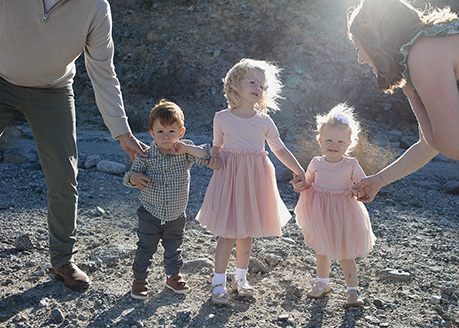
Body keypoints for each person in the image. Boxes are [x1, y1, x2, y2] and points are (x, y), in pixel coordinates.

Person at [345, 0, 459, 324]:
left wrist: (412, 94)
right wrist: (377, 180)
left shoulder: (423, 54)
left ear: (377, 39)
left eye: (359, 47)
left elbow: (453, 147)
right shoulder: (424, 48)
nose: (360, 58)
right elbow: (429, 144)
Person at [0, 0, 148, 290]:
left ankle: (62, 260)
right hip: (2, 81)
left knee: (64, 175)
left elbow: (103, 72)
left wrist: (122, 132)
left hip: (53, 92)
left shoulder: (95, 8)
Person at [195, 59, 305, 305]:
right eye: (252, 82)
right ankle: (218, 281)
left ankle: (241, 278)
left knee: (247, 232)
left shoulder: (264, 120)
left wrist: (299, 169)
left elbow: (280, 148)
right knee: (228, 232)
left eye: (262, 85)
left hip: (255, 179)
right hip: (230, 179)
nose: (258, 88)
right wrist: (213, 159)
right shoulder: (222, 118)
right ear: (235, 84)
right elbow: (216, 148)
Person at [122, 99, 209, 300]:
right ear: (152, 133)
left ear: (181, 132)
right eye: (160, 132)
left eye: (172, 131)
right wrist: (134, 178)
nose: (166, 136)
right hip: (150, 213)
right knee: (145, 248)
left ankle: (173, 277)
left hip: (176, 215)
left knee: (174, 248)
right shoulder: (145, 155)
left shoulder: (185, 152)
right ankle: (140, 280)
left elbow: (204, 157)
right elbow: (129, 177)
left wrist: (187, 149)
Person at [291, 104, 376, 307]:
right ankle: (322, 284)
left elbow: (362, 184)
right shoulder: (316, 163)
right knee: (322, 250)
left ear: (348, 144)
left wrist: (357, 189)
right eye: (328, 140)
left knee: (345, 253)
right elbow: (308, 184)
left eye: (340, 141)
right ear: (320, 141)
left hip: (344, 213)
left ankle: (352, 291)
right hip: (321, 213)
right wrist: (299, 184)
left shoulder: (351, 164)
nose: (333, 144)